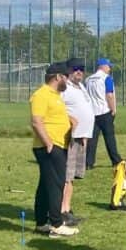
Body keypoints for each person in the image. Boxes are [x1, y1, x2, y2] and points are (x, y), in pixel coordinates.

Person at [30, 62, 78, 237]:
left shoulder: (55, 95)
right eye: (66, 77)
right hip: (50, 147)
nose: (68, 80)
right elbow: (36, 121)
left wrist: (70, 120)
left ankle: (41, 222)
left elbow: (54, 116)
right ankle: (56, 223)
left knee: (45, 185)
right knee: (56, 185)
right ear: (58, 77)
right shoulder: (41, 95)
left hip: (60, 144)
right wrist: (48, 143)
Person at [60, 58, 93, 227]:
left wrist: (86, 136)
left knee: (72, 177)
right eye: (75, 69)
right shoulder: (64, 88)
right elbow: (57, 110)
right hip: (70, 138)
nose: (79, 72)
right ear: (68, 71)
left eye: (82, 68)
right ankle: (62, 211)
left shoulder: (81, 86)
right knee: (66, 176)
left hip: (81, 138)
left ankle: (67, 208)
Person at [85, 57, 123, 170]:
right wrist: (113, 109)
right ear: (103, 66)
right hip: (104, 111)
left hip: (92, 112)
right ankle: (116, 160)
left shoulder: (88, 79)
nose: (110, 68)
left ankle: (88, 162)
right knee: (109, 137)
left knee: (92, 139)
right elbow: (109, 95)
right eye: (109, 66)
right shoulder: (107, 78)